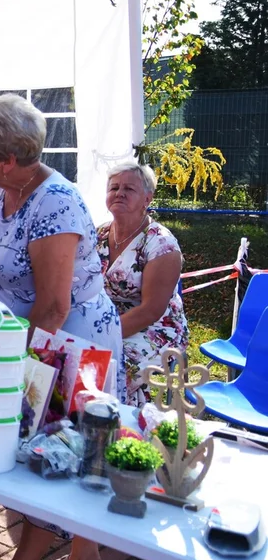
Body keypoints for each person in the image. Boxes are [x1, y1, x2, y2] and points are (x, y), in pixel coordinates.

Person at [0, 94, 122, 560]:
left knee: (51, 446)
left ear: (10, 159)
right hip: (24, 332)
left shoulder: (56, 203)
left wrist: (0, 356)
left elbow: (53, 306)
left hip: (71, 341)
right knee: (74, 451)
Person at [97, 161, 188, 408]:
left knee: (111, 368)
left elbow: (151, 311)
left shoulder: (162, 244)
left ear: (147, 198)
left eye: (129, 188)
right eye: (114, 187)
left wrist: (102, 335)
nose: (119, 193)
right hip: (108, 321)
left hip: (155, 328)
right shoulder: (99, 234)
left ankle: (126, 428)